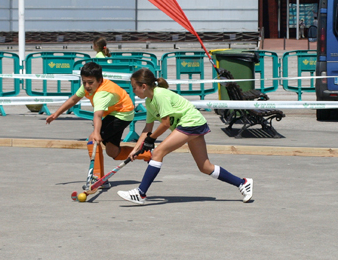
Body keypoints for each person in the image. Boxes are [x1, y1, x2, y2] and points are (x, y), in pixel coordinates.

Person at [117, 68, 253, 205]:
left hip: (190, 122)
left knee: (158, 152)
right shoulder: (149, 102)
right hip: (193, 123)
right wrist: (136, 149)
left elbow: (165, 123)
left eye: (134, 88)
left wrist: (151, 139)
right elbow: (147, 129)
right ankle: (242, 183)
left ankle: (140, 193)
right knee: (205, 166)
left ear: (144, 86)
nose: (133, 91)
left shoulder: (160, 95)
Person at [46, 62, 150, 188]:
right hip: (116, 112)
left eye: (90, 82)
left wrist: (96, 132)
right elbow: (74, 99)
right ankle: (148, 154)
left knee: (92, 139)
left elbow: (98, 115)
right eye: (84, 82)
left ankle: (98, 178)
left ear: (99, 80)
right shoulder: (87, 87)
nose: (87, 86)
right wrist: (56, 113)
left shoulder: (102, 93)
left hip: (122, 114)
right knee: (113, 153)